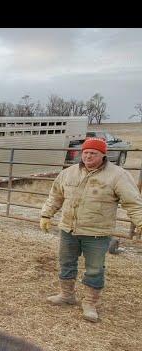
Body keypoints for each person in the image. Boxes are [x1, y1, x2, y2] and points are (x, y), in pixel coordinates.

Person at [40, 137, 142, 322]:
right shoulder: (69, 173)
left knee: (95, 269)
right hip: (69, 229)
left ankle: (90, 303)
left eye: (93, 153)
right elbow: (55, 196)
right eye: (85, 152)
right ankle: (66, 295)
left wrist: (140, 222)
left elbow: (133, 203)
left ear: (103, 155)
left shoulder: (117, 175)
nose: (88, 156)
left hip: (97, 232)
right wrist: (46, 215)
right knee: (66, 263)